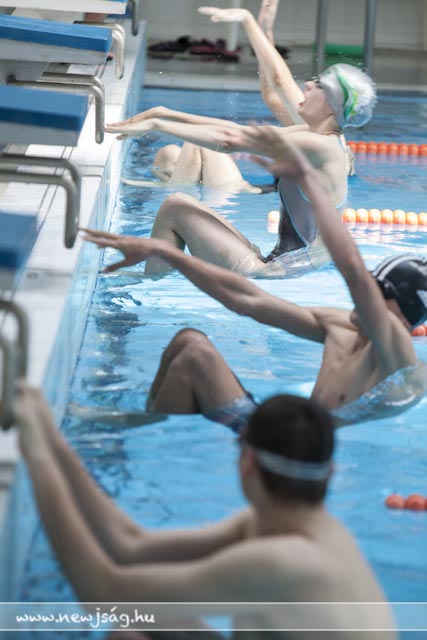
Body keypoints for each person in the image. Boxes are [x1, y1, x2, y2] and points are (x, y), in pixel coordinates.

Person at [83, 141, 427, 428]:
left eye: (380, 291)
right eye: (373, 285)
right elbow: (249, 300)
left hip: (299, 449)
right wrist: (167, 253)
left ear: (404, 312)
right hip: (273, 431)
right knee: (189, 341)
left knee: (196, 355)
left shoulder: (398, 357)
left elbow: (352, 270)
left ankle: (136, 430)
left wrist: (312, 185)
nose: (367, 295)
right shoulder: (341, 329)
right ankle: (142, 423)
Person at [13, 385, 396, 639]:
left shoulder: (283, 561)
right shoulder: (307, 532)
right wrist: (52, 439)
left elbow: (101, 593)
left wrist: (37, 456)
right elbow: (130, 546)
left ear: (247, 463)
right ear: (329, 472)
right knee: (137, 627)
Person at [105, 8, 373, 278]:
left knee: (174, 206)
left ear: (331, 105)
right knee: (178, 201)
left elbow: (229, 142)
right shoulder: (315, 135)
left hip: (275, 274)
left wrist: (157, 125)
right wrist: (163, 114)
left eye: (319, 86)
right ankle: (149, 279)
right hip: (279, 264)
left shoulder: (320, 147)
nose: (307, 86)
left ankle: (145, 284)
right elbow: (238, 129)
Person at [122, 141, 260, 193]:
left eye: (182, 160)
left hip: (229, 188)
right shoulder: (169, 185)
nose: (186, 162)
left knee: (198, 139)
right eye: (177, 163)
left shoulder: (171, 185)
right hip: (229, 190)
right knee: (197, 139)